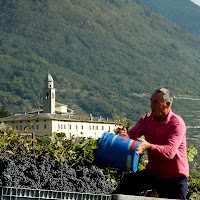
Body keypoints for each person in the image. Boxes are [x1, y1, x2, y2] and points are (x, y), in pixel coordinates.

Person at [113, 87, 189, 200]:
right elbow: (132, 135)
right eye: (151, 101)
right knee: (127, 183)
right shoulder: (147, 119)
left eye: (156, 102)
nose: (151, 105)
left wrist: (148, 146)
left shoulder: (177, 123)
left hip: (174, 177)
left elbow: (170, 152)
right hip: (154, 172)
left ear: (167, 105)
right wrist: (124, 136)